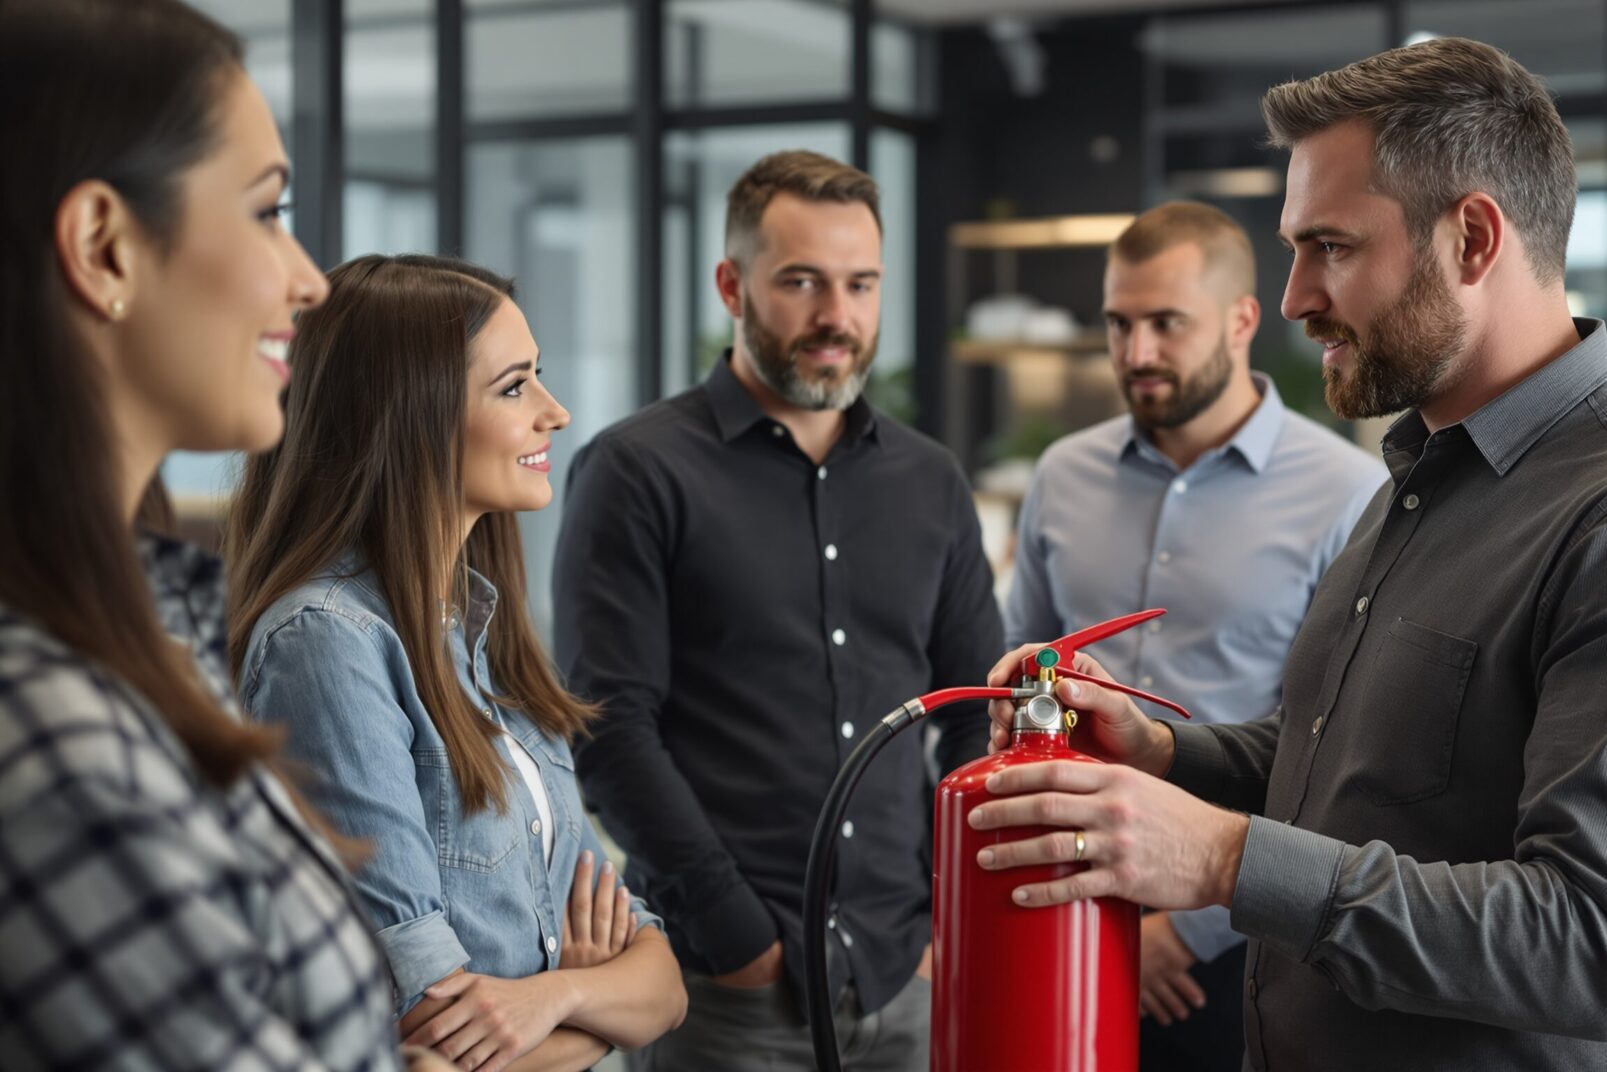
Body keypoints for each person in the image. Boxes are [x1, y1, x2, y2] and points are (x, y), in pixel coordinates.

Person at [970, 37, 1607, 1071]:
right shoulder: (1422, 477)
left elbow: (1589, 947)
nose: (1294, 299)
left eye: (1329, 246)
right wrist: (1162, 752)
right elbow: (1344, 765)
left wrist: (1223, 858)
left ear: (1472, 238)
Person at [0, 0, 424, 1067]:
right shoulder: (56, 751)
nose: (309, 278)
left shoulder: (152, 629)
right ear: (104, 248)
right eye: (268, 211)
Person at [553, 150, 1004, 1071]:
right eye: (802, 282)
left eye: (860, 284)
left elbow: (974, 716)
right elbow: (609, 728)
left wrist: (940, 918)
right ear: (732, 285)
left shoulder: (931, 481)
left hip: (905, 979)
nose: (837, 315)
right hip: (725, 996)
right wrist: (738, 939)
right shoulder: (636, 471)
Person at [227, 254, 686, 1072]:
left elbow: (665, 989)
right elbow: (432, 1033)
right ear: (412, 416)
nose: (555, 412)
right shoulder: (326, 642)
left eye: (538, 377)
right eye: (514, 388)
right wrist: (598, 1012)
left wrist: (554, 998)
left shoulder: (481, 636)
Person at [1002, 200, 1383, 1067]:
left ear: (1242, 320)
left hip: (1240, 932)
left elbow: (1336, 756)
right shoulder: (1062, 475)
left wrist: (1187, 931)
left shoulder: (1347, 494)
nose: (1137, 352)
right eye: (1119, 323)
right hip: (1058, 899)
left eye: (1167, 323)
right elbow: (1021, 683)